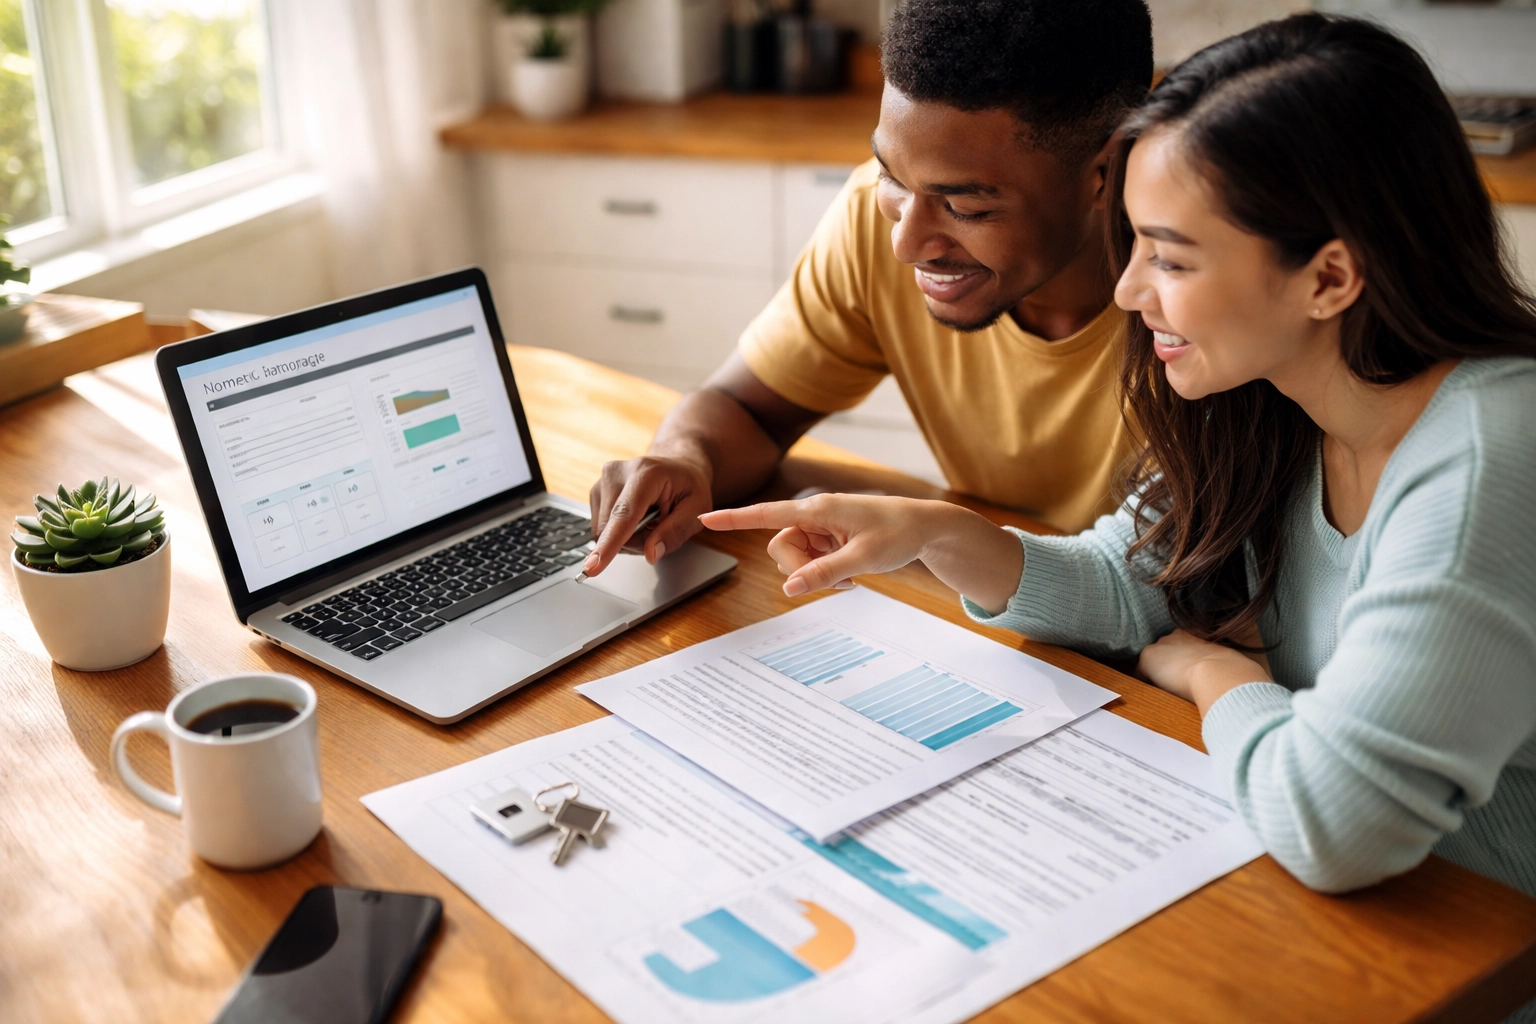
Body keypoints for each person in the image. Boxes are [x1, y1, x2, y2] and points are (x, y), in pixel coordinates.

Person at [701, 10, 1536, 923]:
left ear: (1328, 279)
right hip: (1347, 918)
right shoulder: (1278, 401)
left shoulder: (1489, 458)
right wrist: (938, 535)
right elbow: (1128, 576)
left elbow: (1338, 826)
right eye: (1134, 243)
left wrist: (1220, 679)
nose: (1130, 290)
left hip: (1479, 941)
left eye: (1169, 259)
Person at [581, 0, 1155, 579]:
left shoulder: (1188, 297)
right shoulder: (874, 223)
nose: (906, 243)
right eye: (890, 176)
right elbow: (748, 410)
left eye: (966, 207)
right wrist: (686, 458)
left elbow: (1156, 585)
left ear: (1105, 173)